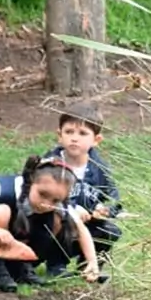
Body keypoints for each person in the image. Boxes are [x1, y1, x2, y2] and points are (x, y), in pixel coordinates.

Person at [0, 156, 103, 292]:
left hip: (16, 241)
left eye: (55, 200)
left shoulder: (55, 205)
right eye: (42, 195)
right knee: (2, 211)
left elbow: (81, 228)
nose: (46, 204)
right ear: (32, 180)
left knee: (57, 218)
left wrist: (92, 262)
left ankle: (20, 268)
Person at [44, 100, 122, 254]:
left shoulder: (100, 168)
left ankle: (90, 264)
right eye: (69, 132)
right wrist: (71, 209)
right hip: (53, 222)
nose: (74, 138)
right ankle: (56, 265)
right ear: (59, 135)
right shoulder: (50, 164)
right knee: (59, 223)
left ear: (96, 140)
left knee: (111, 231)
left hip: (88, 222)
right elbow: (43, 199)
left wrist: (105, 209)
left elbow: (112, 196)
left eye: (82, 133)